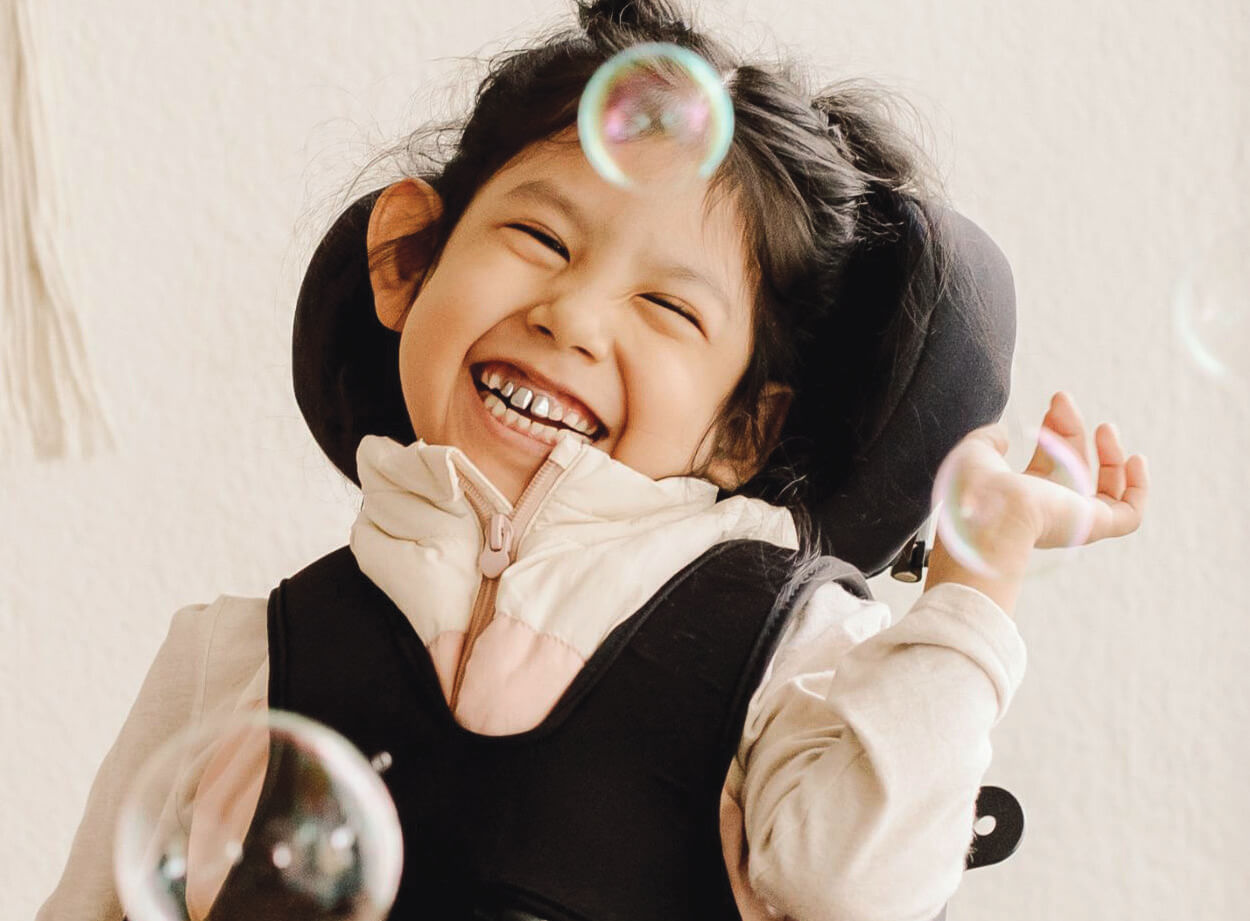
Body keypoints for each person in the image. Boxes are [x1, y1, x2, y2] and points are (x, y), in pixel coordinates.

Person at [37, 1, 1150, 919]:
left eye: (666, 304)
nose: (571, 315)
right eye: (538, 239)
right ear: (408, 259)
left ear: (744, 429)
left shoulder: (790, 651)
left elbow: (852, 888)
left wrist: (973, 578)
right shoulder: (235, 657)